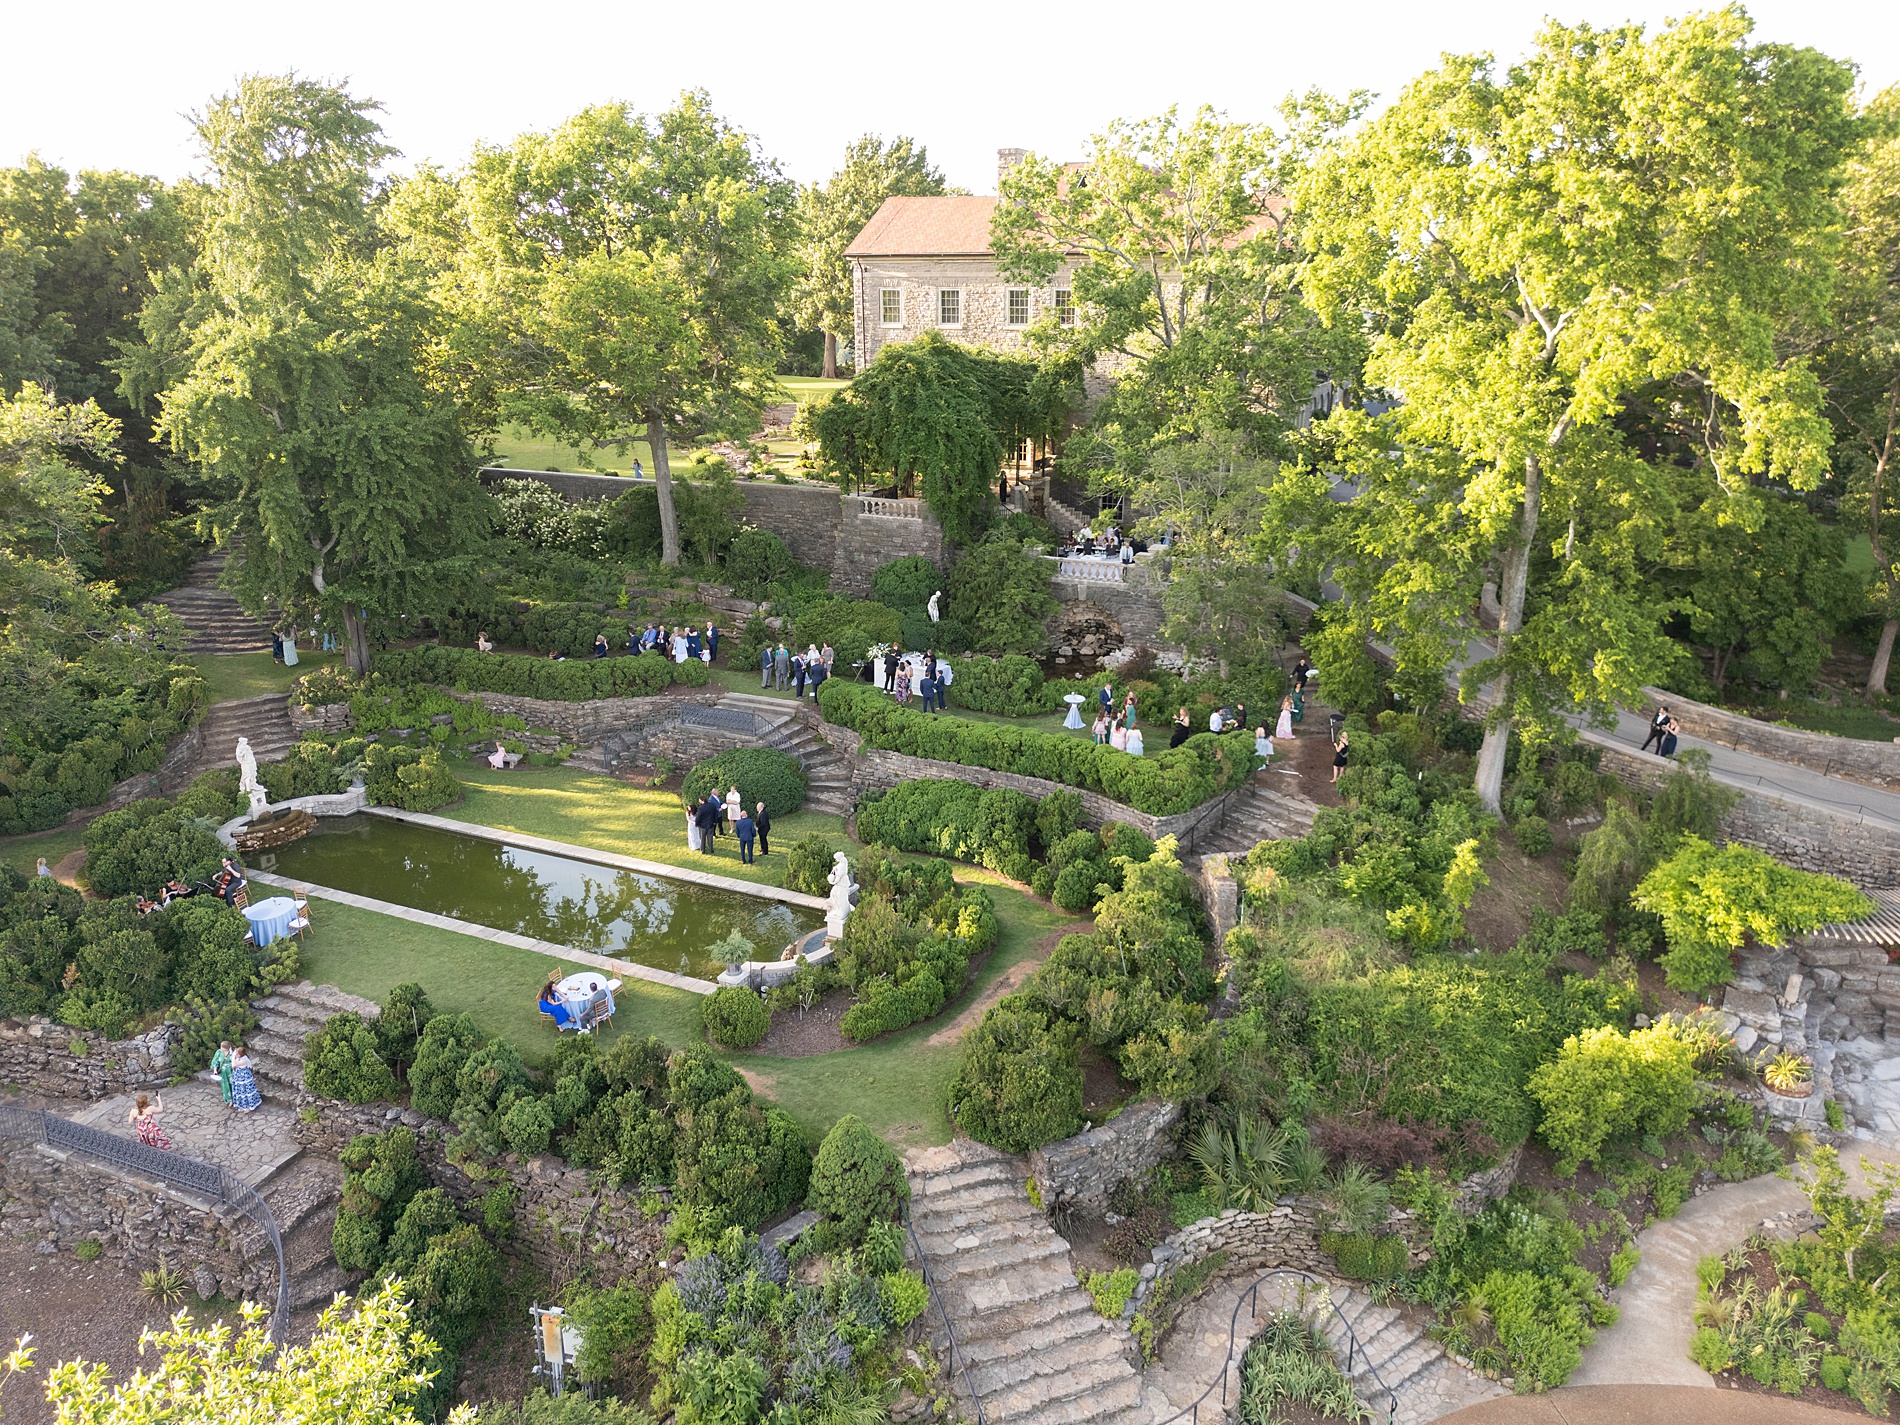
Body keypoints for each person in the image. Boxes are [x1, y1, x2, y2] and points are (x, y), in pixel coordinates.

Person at [229, 1046, 261, 1112]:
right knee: (240, 1091)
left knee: (245, 1091)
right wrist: (232, 1053)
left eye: (237, 1054)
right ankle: (242, 1106)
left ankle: (248, 1107)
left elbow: (233, 1065)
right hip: (239, 1077)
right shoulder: (239, 1058)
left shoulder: (243, 1060)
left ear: (241, 1054)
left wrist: (233, 1056)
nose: (236, 1055)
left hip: (244, 1078)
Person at [210, 1041, 235, 1106]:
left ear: (227, 1048)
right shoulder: (219, 1052)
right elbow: (216, 1062)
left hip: (232, 1072)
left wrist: (232, 1054)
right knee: (225, 1086)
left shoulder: (233, 1052)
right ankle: (229, 1099)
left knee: (233, 1085)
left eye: (222, 1047)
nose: (221, 1048)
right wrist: (215, 1070)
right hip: (223, 1073)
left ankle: (236, 1099)